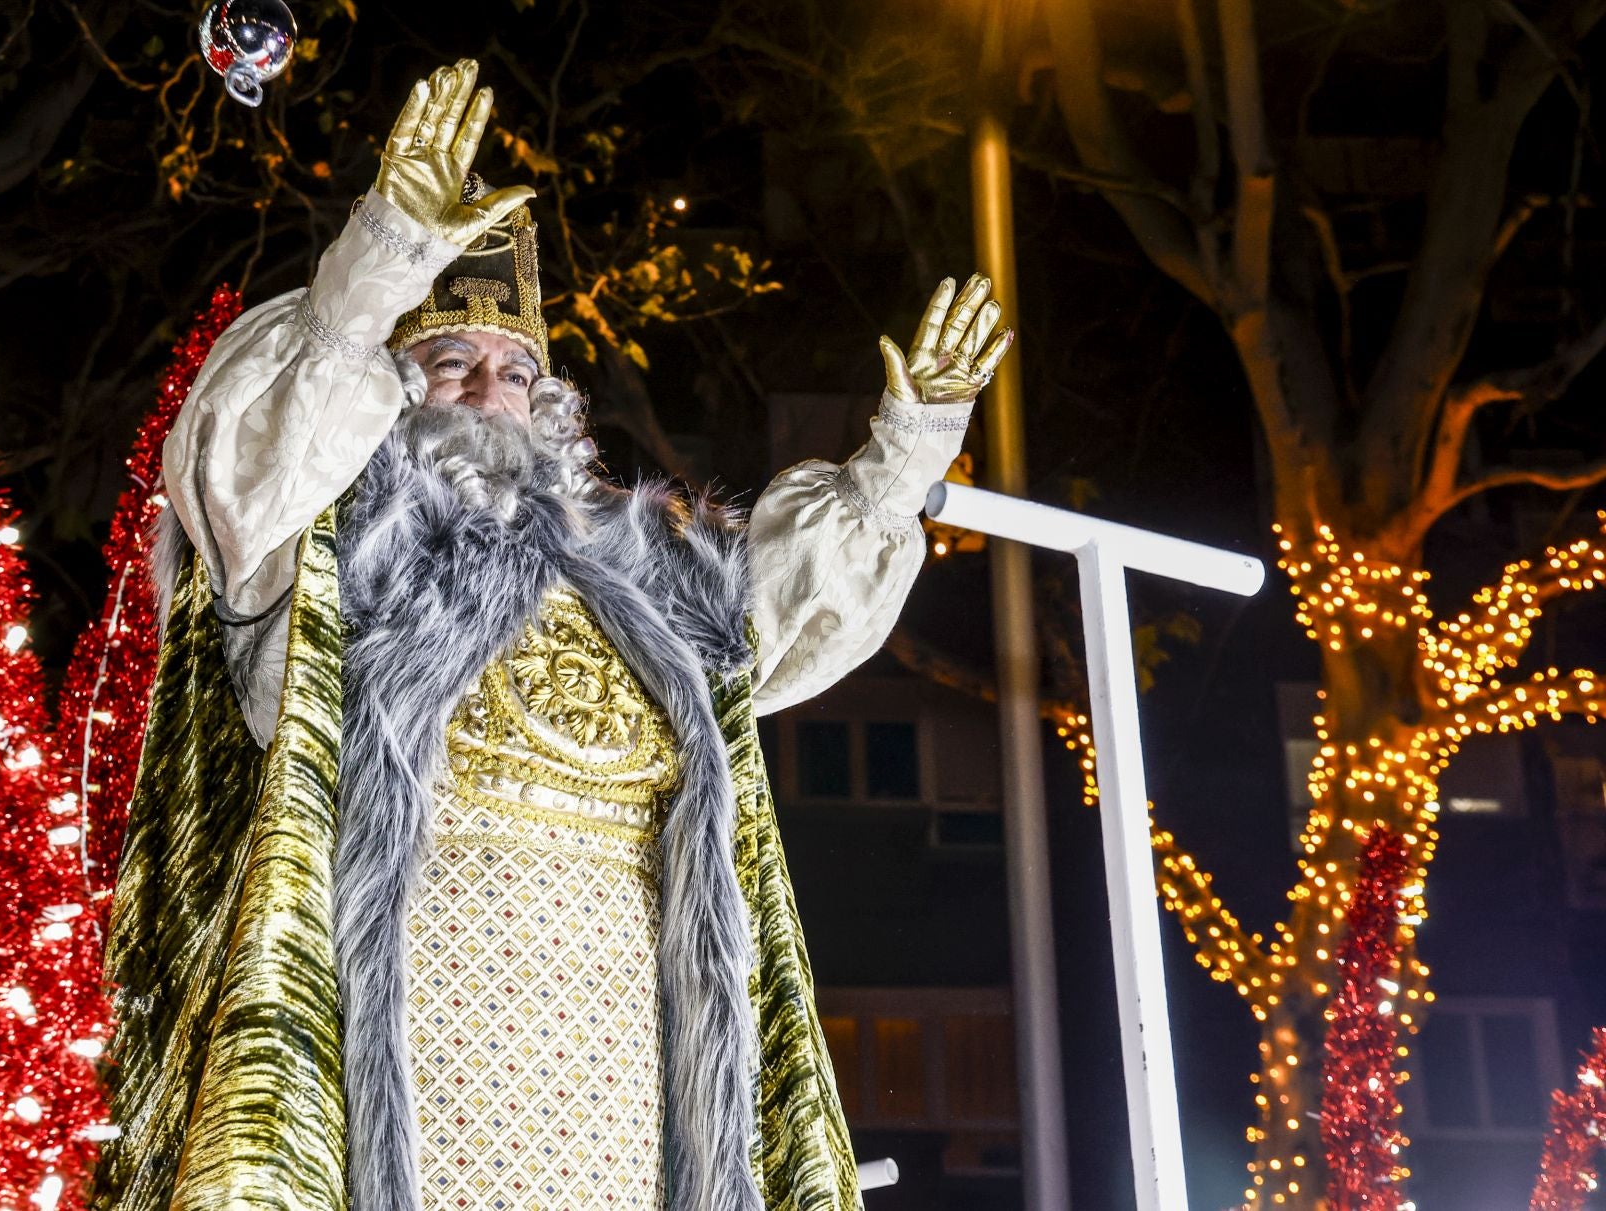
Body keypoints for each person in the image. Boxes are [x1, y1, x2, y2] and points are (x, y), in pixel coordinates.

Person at [93, 59, 1012, 1211]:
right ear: (393, 387)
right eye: (451, 364)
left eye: (516, 370)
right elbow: (246, 455)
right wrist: (377, 266)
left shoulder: (642, 584)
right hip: (407, 1080)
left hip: (623, 1086)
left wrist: (899, 461)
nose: (489, 390)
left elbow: (785, 613)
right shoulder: (322, 551)